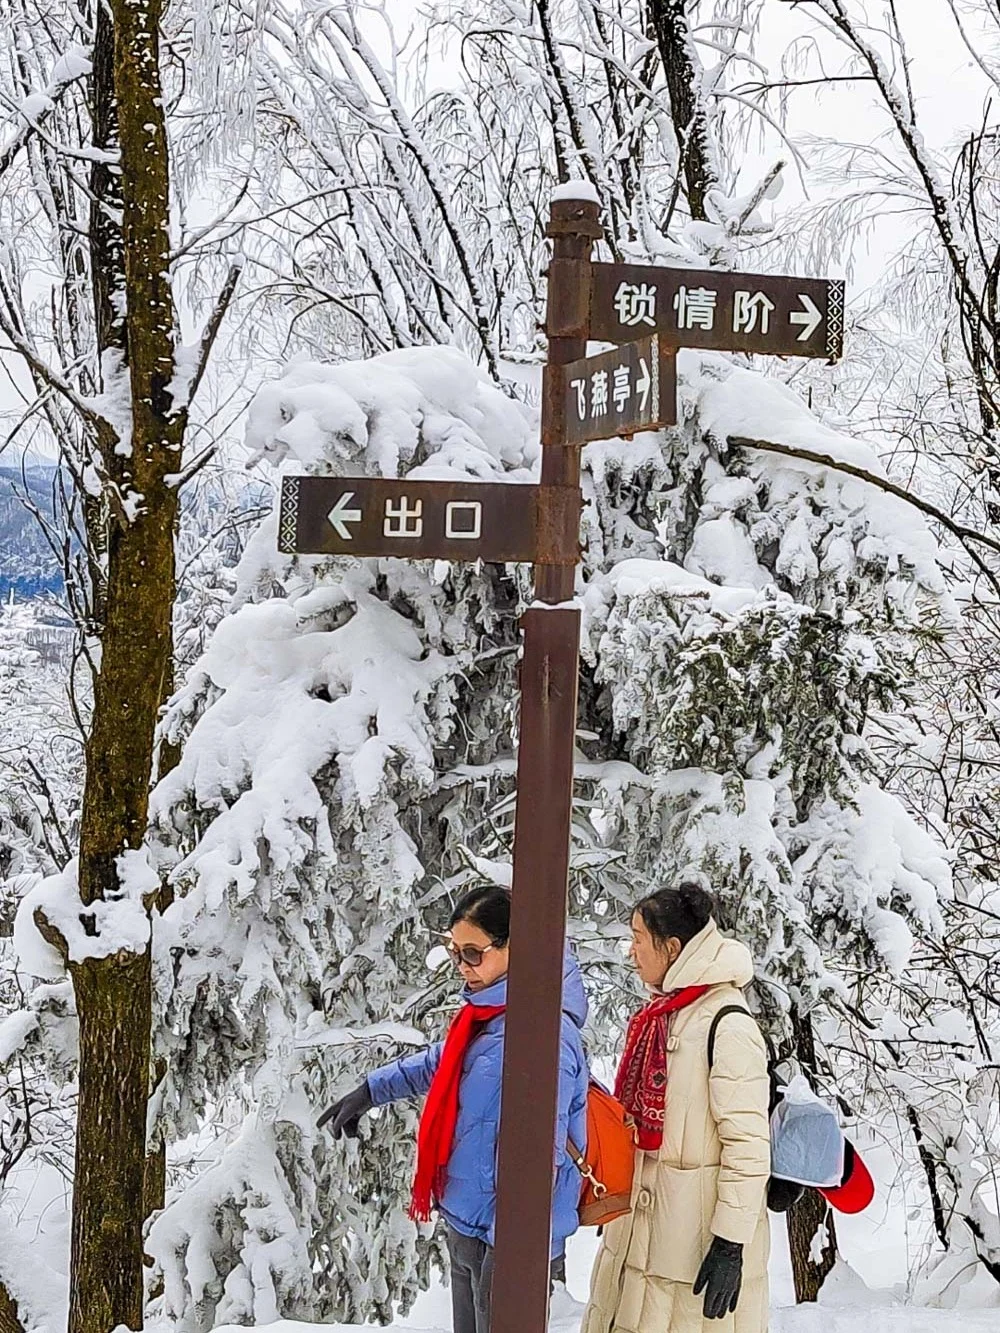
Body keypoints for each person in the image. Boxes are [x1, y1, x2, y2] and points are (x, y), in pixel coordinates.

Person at [319, 884, 590, 1333]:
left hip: (507, 1243)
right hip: (469, 1223)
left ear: (515, 948)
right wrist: (369, 1092)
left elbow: (543, 1158)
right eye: (454, 953)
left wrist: (515, 1249)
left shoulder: (544, 1032)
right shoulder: (493, 1017)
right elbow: (442, 1063)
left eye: (473, 954)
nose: (462, 967)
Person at [583, 878, 770, 1333]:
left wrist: (730, 1243)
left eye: (638, 939)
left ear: (671, 947)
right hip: (640, 1239)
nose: (632, 951)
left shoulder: (727, 1024)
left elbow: (748, 1147)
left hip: (691, 1250)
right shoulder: (665, 1015)